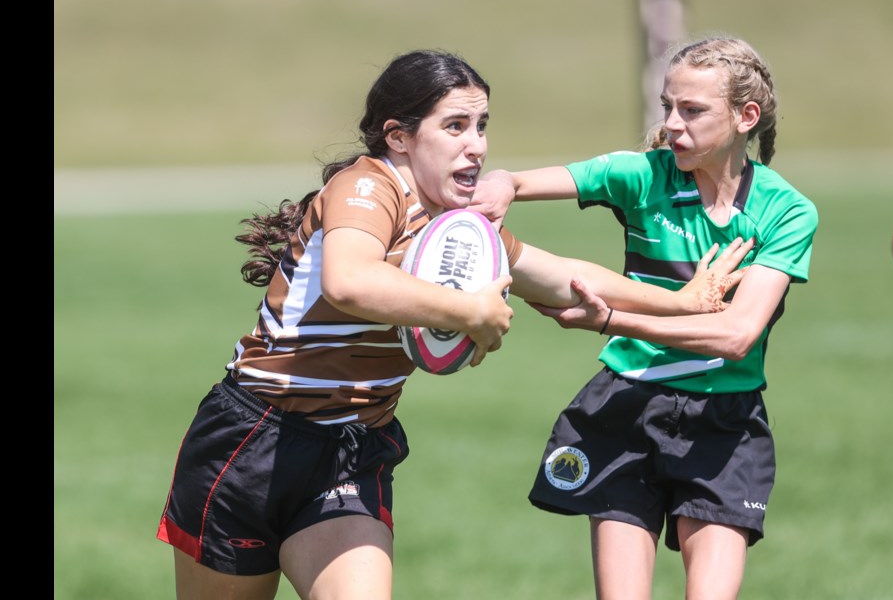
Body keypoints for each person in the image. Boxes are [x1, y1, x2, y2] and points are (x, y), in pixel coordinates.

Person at [155, 48, 753, 600]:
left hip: (351, 452)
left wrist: (686, 300)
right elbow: (351, 281)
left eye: (482, 126)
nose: (477, 147)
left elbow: (566, 276)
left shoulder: (461, 225)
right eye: (455, 126)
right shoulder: (367, 184)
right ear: (400, 137)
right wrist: (471, 311)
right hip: (255, 439)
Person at [471, 35, 818, 600]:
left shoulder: (785, 211)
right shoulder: (641, 175)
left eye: (693, 110)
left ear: (745, 116)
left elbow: (734, 335)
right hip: (625, 407)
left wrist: (610, 321)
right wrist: (501, 184)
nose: (673, 124)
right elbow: (522, 181)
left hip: (723, 423)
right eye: (668, 106)